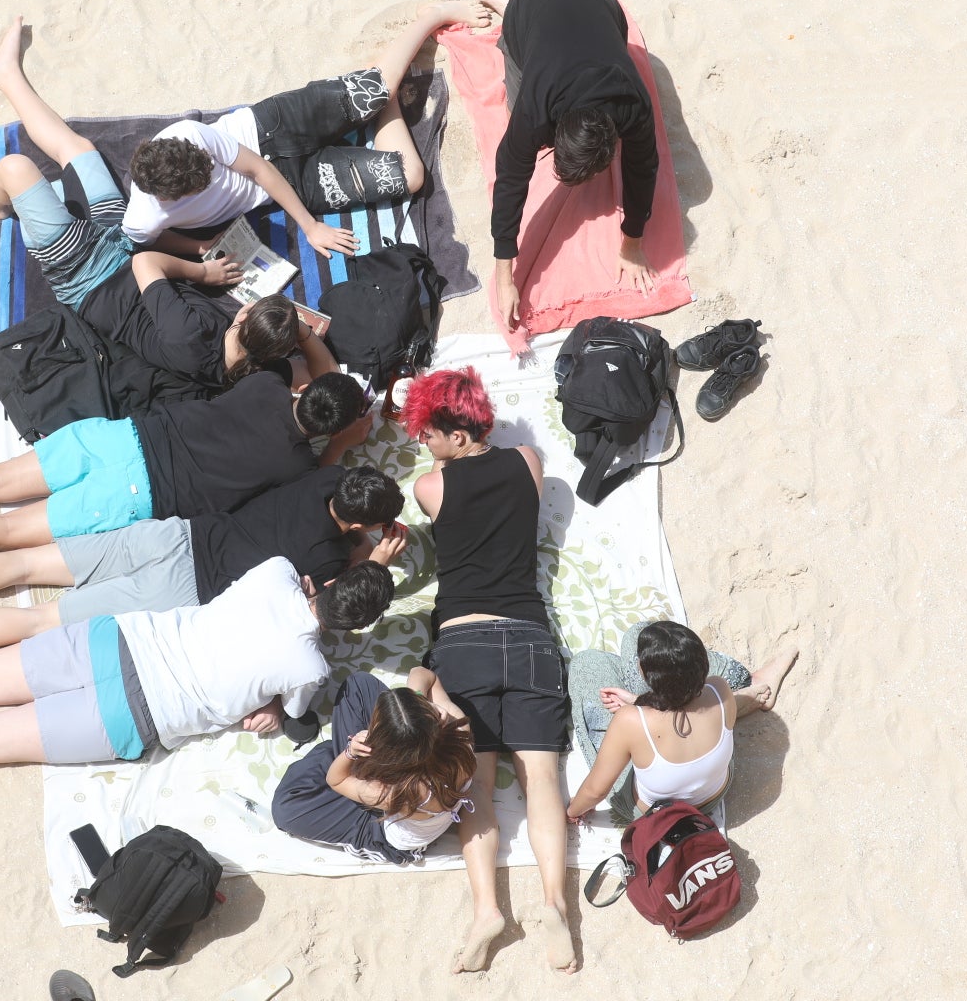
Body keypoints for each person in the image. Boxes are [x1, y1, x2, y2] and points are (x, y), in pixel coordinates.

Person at [0, 557, 394, 808]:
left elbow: (293, 584)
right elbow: (300, 719)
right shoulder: (309, 667)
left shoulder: (277, 571)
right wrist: (277, 715)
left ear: (333, 582)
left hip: (117, 643)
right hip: (138, 714)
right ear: (353, 627)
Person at [0, 18, 317, 392]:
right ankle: (7, 75)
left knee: (15, 169)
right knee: (80, 151)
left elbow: (145, 262)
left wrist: (202, 272)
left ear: (242, 315)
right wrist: (199, 249)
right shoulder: (252, 371)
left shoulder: (191, 336)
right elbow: (311, 378)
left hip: (86, 275)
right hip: (119, 245)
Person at [0, 465, 408, 668]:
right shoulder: (331, 557)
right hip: (184, 586)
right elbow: (334, 602)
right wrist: (372, 559)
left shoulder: (324, 481)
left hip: (174, 536)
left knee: (21, 560)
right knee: (38, 622)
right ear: (358, 526)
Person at [0, 368, 371, 577]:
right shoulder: (299, 464)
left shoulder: (265, 386)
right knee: (8, 531)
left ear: (304, 388)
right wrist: (342, 443)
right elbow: (314, 484)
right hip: (136, 493)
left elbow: (302, 375)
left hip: (117, 438)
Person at [403, 367, 575, 974]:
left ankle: (487, 912)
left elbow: (447, 496)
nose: (422, 441)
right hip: (529, 636)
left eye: (427, 430)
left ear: (452, 428)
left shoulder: (430, 489)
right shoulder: (528, 460)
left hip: (463, 642)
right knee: (543, 782)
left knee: (476, 787)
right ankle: (555, 902)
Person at [120, 0, 492, 257]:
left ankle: (433, 16)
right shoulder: (142, 218)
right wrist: (198, 248)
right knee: (410, 176)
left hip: (270, 128)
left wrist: (309, 225)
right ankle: (382, 95)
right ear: (171, 198)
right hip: (295, 183)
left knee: (373, 90)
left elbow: (257, 168)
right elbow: (151, 241)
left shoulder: (187, 137)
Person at [477, 0, 660, 331]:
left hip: (602, 3)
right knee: (511, 105)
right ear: (556, 130)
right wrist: (504, 275)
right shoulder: (535, 110)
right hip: (530, 4)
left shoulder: (632, 105)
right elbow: (510, 179)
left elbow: (643, 169)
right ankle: (507, 5)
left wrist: (632, 244)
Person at [564, 621, 798, 827]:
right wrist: (638, 700)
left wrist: (573, 810)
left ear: (648, 677)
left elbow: (596, 790)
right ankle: (747, 683)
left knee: (587, 664)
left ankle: (747, 694)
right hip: (714, 793)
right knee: (639, 634)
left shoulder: (629, 721)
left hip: (659, 815)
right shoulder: (718, 688)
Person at [271, 666, 475, 864]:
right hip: (417, 777)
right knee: (360, 684)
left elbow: (336, 779)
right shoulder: (460, 734)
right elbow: (422, 674)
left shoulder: (396, 793)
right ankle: (338, 750)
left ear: (387, 750)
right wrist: (418, 702)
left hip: (385, 831)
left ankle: (335, 752)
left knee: (285, 809)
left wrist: (350, 751)